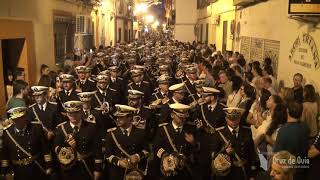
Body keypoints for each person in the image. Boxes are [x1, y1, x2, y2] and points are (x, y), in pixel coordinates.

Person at [53, 101, 103, 180]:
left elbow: (97, 150)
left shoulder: (91, 127)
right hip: (68, 169)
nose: (73, 116)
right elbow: (55, 148)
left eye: (76, 113)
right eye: (70, 114)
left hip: (86, 166)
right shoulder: (61, 129)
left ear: (81, 112)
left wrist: (98, 169)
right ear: (67, 114)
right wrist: (67, 148)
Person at [0, 107, 53, 180]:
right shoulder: (7, 133)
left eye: (20, 118)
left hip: (36, 168)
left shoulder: (36, 128)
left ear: (25, 117)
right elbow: (5, 154)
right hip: (18, 171)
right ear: (12, 120)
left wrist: (48, 165)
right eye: (15, 119)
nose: (18, 121)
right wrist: (5, 171)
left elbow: (45, 148)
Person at [154, 103, 200, 179]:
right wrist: (165, 155)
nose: (183, 119)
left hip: (184, 169)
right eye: (180, 117)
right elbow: (156, 147)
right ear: (172, 115)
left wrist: (193, 142)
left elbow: (198, 150)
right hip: (168, 168)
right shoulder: (163, 129)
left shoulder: (191, 129)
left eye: (184, 117)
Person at [212, 107, 260, 180]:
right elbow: (214, 155)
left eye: (236, 119)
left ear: (240, 118)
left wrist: (252, 174)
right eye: (231, 120)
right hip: (227, 173)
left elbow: (252, 153)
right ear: (226, 119)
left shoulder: (247, 131)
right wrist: (225, 152)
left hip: (243, 171)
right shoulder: (219, 133)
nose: (234, 122)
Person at [104, 104, 150, 180]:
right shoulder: (111, 134)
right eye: (117, 117)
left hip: (134, 173)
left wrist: (137, 156)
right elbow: (107, 154)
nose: (118, 119)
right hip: (117, 173)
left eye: (121, 117)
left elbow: (147, 151)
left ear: (129, 117)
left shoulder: (140, 133)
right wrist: (119, 162)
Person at [273, 101, 310, 180]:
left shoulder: (283, 130)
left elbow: (277, 154)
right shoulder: (305, 127)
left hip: (288, 172)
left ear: (287, 111)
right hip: (303, 169)